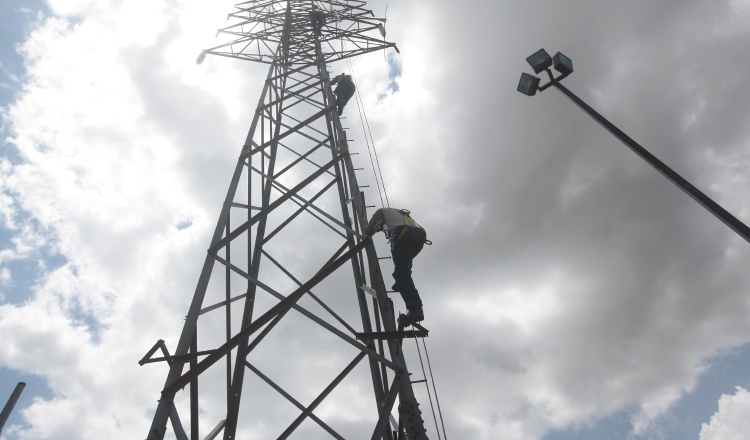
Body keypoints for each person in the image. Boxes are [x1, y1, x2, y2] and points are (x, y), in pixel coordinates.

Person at [364, 207, 429, 324]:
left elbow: (369, 231)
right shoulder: (400, 213)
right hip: (419, 237)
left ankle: (415, 309)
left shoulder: (380, 212)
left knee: (401, 273)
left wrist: (367, 228)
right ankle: (400, 284)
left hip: (402, 234)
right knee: (404, 267)